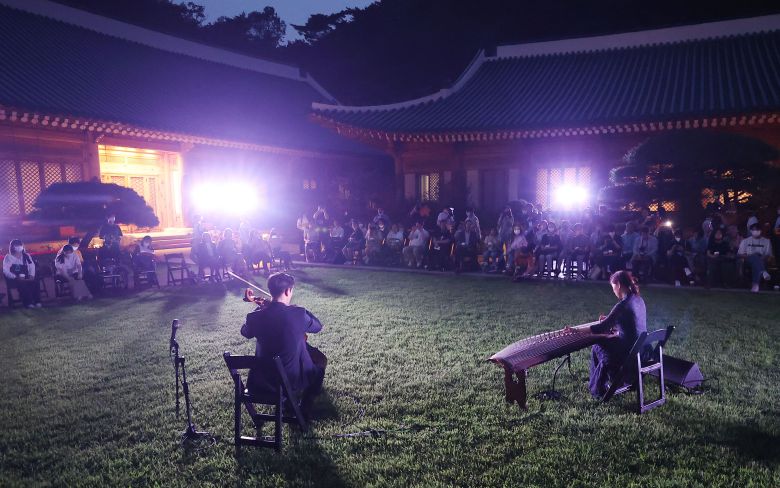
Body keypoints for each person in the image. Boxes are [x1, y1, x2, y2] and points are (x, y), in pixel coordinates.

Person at [240, 273, 327, 419]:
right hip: (289, 379)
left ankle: (288, 404)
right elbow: (317, 326)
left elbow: (245, 332)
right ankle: (303, 408)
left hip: (262, 379)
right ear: (288, 291)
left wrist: (260, 307)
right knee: (320, 363)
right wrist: (299, 309)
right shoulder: (298, 313)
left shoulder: (254, 317)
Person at [567, 271, 646, 398]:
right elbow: (632, 323)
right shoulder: (638, 299)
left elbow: (600, 328)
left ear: (618, 285)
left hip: (628, 353)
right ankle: (607, 381)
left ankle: (599, 389)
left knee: (598, 345)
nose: (613, 291)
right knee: (606, 343)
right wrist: (611, 319)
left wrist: (576, 330)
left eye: (613, 287)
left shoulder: (622, 305)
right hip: (640, 351)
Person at [3, 239, 42, 308]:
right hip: (15, 278)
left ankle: (37, 301)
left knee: (35, 281)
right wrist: (15, 277)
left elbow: (31, 266)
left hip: (26, 276)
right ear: (12, 247)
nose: (19, 247)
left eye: (20, 245)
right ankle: (28, 303)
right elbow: (5, 270)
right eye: (17, 245)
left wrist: (31, 275)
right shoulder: (8, 257)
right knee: (22, 284)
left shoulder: (26, 256)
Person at [737, 223, 774, 292]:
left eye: (757, 229)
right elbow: (739, 254)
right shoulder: (745, 241)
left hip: (762, 260)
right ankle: (762, 272)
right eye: (753, 230)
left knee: (756, 262)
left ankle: (755, 285)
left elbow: (768, 254)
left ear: (760, 231)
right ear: (751, 231)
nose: (755, 231)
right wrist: (751, 256)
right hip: (748, 260)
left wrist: (760, 258)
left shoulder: (766, 241)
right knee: (754, 256)